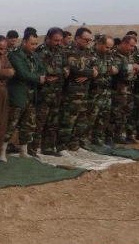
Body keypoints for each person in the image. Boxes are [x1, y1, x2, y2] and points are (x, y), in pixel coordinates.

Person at [6, 31, 45, 159]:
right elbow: (22, 73)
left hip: (31, 94)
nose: (34, 46)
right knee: (11, 123)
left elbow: (42, 69)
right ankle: (1, 151)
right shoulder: (14, 55)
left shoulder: (34, 55)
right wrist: (37, 78)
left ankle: (24, 152)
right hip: (18, 94)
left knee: (28, 124)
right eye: (32, 44)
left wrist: (37, 76)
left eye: (36, 44)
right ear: (24, 42)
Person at [57, 27, 98, 151]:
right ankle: (62, 146)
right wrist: (91, 73)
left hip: (84, 92)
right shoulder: (68, 50)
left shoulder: (88, 52)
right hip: (71, 93)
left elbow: (96, 66)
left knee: (81, 121)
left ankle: (74, 144)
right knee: (68, 121)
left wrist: (87, 75)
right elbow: (74, 68)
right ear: (78, 38)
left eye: (89, 40)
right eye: (86, 40)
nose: (88, 42)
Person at [34, 27, 67, 156]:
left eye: (60, 40)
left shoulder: (61, 51)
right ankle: (33, 147)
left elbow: (68, 66)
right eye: (55, 40)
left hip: (57, 91)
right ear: (47, 38)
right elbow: (45, 70)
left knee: (53, 121)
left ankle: (48, 147)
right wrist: (62, 72)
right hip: (44, 93)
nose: (58, 43)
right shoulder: (40, 52)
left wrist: (61, 71)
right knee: (39, 122)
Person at [87, 35, 118, 146]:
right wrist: (107, 69)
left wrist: (103, 70)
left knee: (103, 117)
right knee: (91, 117)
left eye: (110, 48)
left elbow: (116, 69)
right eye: (107, 47)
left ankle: (98, 140)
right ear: (99, 43)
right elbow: (93, 71)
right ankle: (86, 141)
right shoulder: (90, 54)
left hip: (106, 91)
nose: (109, 50)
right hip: (94, 92)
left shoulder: (108, 55)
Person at [109, 35, 139, 144]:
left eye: (133, 46)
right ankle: (113, 136)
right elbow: (116, 69)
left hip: (129, 89)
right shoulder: (115, 54)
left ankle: (123, 134)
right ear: (123, 44)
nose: (132, 48)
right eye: (130, 46)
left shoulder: (129, 56)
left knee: (126, 113)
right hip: (118, 89)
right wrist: (132, 68)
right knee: (116, 114)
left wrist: (134, 69)